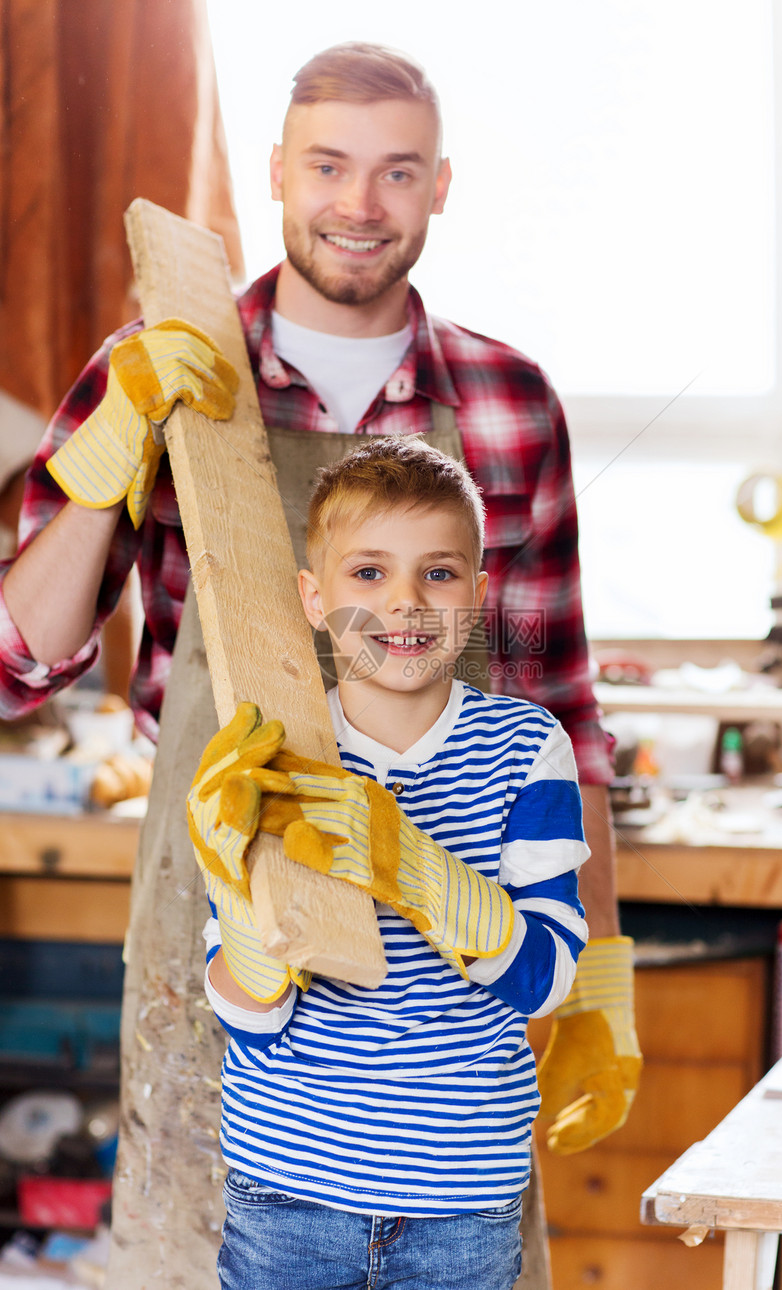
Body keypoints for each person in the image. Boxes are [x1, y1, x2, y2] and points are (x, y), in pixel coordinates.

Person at [0, 36, 638, 1229]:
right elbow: (17, 663)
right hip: (228, 955)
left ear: (440, 184)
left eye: (398, 172)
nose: (359, 204)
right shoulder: (161, 374)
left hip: (458, 978)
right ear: (277, 173)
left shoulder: (508, 403)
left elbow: (561, 716)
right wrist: (107, 459)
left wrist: (596, 975)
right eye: (329, 166)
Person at [186, 435, 591, 1290]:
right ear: (314, 597)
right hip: (285, 1194)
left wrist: (420, 872)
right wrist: (234, 888)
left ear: (479, 596)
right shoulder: (275, 754)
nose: (404, 604)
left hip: (463, 1202)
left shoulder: (525, 749)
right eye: (367, 573)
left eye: (438, 574)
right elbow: (250, 1017)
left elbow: (548, 980)